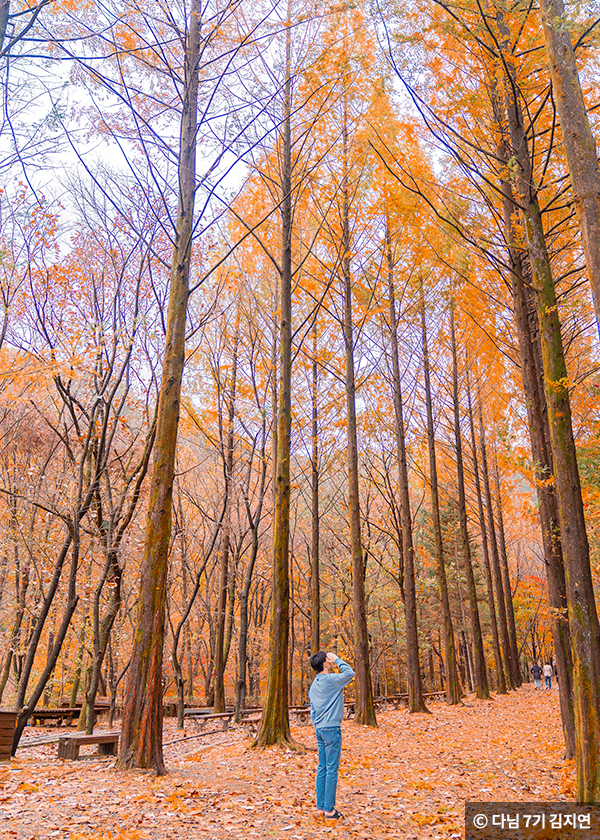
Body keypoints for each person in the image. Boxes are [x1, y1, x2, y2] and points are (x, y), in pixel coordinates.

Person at [309, 651, 355, 820]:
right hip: (332, 728)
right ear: (325, 664)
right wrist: (338, 659)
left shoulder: (314, 685)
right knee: (331, 770)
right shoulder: (331, 680)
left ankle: (320, 807)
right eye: (328, 660)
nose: (331, 661)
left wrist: (316, 726)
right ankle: (329, 810)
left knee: (322, 768)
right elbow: (350, 673)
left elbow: (312, 710)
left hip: (320, 729)